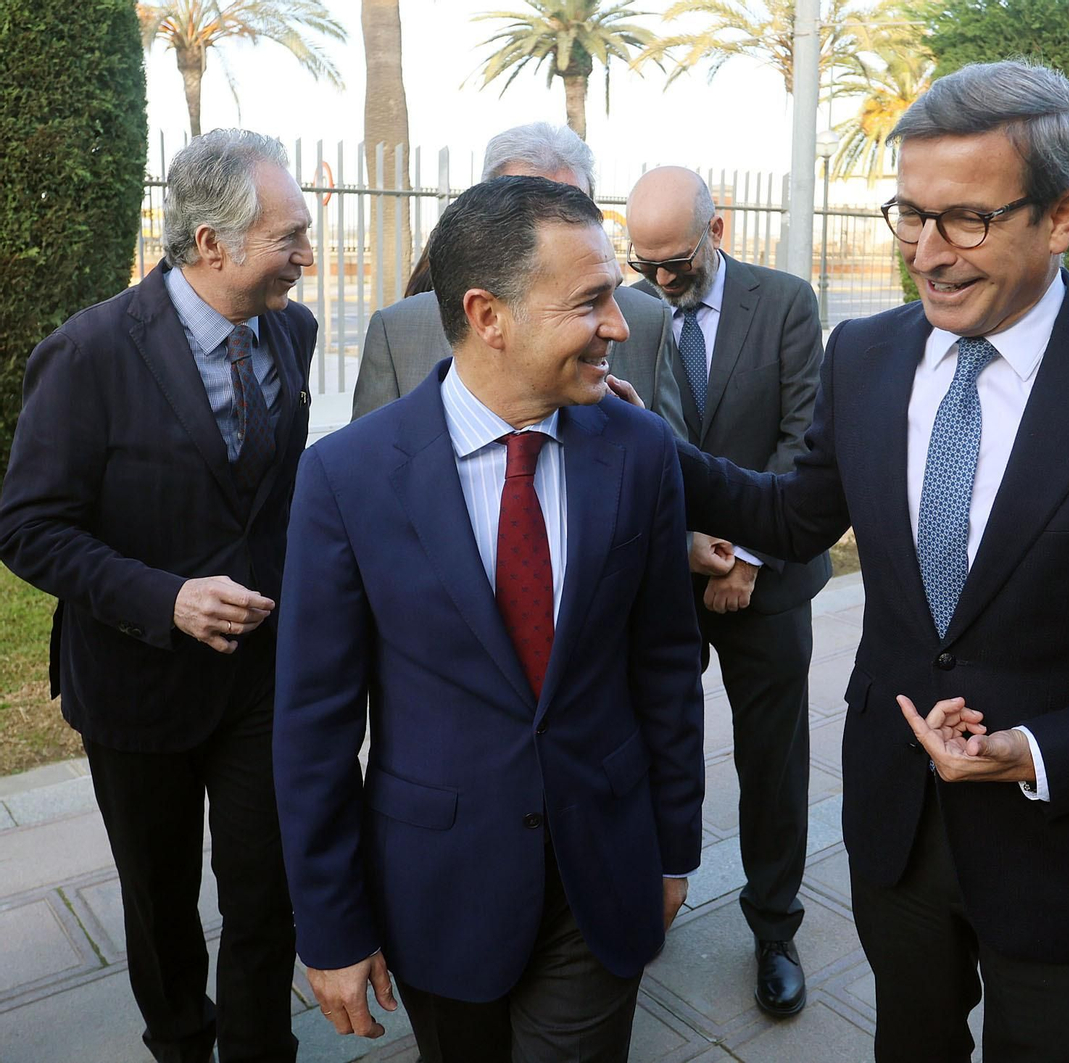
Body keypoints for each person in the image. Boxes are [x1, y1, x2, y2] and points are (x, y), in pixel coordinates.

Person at [616, 59, 1069, 1061]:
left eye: (965, 220)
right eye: (909, 214)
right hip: (897, 822)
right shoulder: (866, 355)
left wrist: (1040, 749)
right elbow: (798, 518)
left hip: (1067, 841)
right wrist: (654, 449)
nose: (925, 255)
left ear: (1062, 215)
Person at [272, 175, 705, 1062]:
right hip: (439, 888)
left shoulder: (640, 451)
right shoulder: (348, 478)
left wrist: (672, 851)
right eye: (590, 303)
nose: (619, 325)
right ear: (488, 313)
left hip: (604, 873)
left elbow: (666, 663)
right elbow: (314, 728)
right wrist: (331, 926)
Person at [0, 129, 315, 1063]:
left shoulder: (292, 332)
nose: (307, 255)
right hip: (137, 684)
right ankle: (181, 1043)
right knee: (161, 898)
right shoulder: (89, 353)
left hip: (262, 681)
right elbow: (28, 526)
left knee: (266, 889)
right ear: (212, 244)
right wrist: (165, 597)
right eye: (290, 236)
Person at [624, 166, 831, 1015]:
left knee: (772, 763)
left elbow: (804, 437)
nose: (661, 281)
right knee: (645, 745)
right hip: (662, 573)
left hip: (767, 577)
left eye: (675, 262)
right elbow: (618, 439)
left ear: (720, 226)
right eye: (647, 264)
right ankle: (645, 898)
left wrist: (746, 553)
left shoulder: (784, 301)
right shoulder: (629, 310)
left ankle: (775, 926)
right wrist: (685, 550)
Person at [350, 121, 685, 436]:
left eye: (571, 208)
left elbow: (682, 484)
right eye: (524, 211)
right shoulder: (400, 332)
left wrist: (643, 443)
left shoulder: (646, 323)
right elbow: (370, 474)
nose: (554, 225)